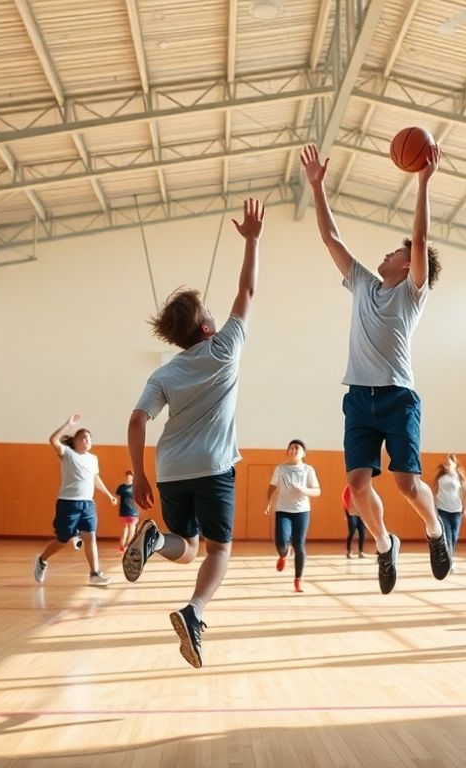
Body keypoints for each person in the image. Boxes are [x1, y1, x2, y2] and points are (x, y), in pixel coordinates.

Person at [300, 143, 452, 595]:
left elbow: (420, 240)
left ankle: (435, 532)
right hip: (358, 398)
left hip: (397, 397)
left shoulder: (412, 293)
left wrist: (423, 182)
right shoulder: (365, 283)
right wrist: (317, 187)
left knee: (407, 483)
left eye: (394, 251)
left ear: (406, 264)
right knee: (356, 486)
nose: (385, 254)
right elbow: (332, 239)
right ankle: (385, 545)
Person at [122, 198, 262, 669]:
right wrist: (252, 240)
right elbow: (247, 289)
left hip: (169, 467)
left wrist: (139, 476)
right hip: (214, 467)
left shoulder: (165, 372)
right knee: (219, 550)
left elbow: (137, 420)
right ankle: (194, 611)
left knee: (186, 545)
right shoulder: (225, 348)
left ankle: (156, 541)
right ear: (206, 326)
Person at [32, 415, 118, 587]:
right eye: (83, 438)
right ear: (76, 441)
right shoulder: (67, 454)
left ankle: (95, 573)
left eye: (89, 438)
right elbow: (53, 439)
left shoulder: (93, 459)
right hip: (68, 503)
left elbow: (95, 478)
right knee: (62, 540)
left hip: (88, 504)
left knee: (91, 537)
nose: (87, 440)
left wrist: (109, 495)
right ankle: (42, 559)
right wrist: (68, 424)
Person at [264, 439, 322, 592]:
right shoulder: (281, 469)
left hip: (302, 511)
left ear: (303, 453)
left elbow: (317, 491)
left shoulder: (308, 470)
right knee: (281, 542)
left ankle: (298, 579)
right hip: (283, 510)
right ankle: (284, 555)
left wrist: (304, 490)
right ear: (287, 451)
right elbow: (272, 486)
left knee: (299, 544)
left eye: (297, 448)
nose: (294, 450)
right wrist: (269, 503)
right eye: (291, 448)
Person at [433, 454, 466, 562]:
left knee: (454, 536)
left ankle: (448, 556)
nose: (447, 463)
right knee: (447, 536)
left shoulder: (460, 476)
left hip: (456, 510)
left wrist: (465, 509)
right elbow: (434, 492)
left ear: (455, 464)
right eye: (446, 462)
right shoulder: (440, 477)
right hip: (442, 510)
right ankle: (449, 562)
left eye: (450, 462)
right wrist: (433, 508)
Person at [116, 470, 140, 553]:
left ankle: (128, 546)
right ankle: (122, 546)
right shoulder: (121, 487)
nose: (129, 477)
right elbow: (118, 499)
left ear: (133, 477)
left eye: (130, 476)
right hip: (123, 511)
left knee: (132, 529)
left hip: (133, 512)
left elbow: (138, 499)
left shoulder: (135, 487)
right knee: (124, 529)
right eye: (127, 475)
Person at [343, 485, 366, 558]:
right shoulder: (348, 488)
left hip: (361, 512)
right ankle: (349, 552)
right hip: (351, 512)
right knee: (352, 531)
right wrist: (349, 511)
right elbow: (345, 499)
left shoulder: (364, 487)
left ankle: (361, 552)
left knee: (362, 531)